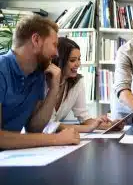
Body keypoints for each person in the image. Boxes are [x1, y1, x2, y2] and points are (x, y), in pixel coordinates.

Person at [0, 15, 79, 149]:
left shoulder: (38, 73)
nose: (57, 54)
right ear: (36, 40)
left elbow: (34, 128)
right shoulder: (2, 69)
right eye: (54, 45)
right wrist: (55, 139)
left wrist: (54, 88)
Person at [43, 37, 121, 133]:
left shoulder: (77, 82)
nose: (78, 64)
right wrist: (88, 128)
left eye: (79, 59)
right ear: (59, 61)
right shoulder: (43, 83)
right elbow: (48, 124)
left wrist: (108, 125)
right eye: (72, 60)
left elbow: (84, 118)